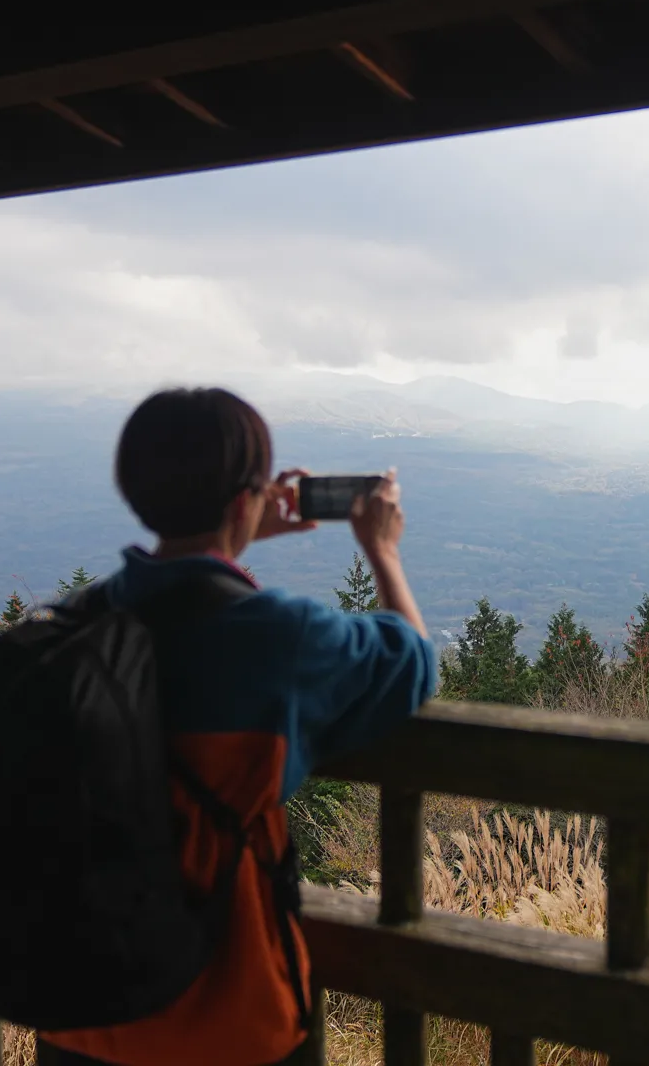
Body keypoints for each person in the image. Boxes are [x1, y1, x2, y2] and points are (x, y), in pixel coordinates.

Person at [43, 387, 438, 1066]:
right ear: (245, 501)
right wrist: (383, 551)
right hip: (224, 1017)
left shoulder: (73, 628)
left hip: (79, 1013)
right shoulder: (276, 637)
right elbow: (411, 664)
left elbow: (175, 594)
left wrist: (229, 534)